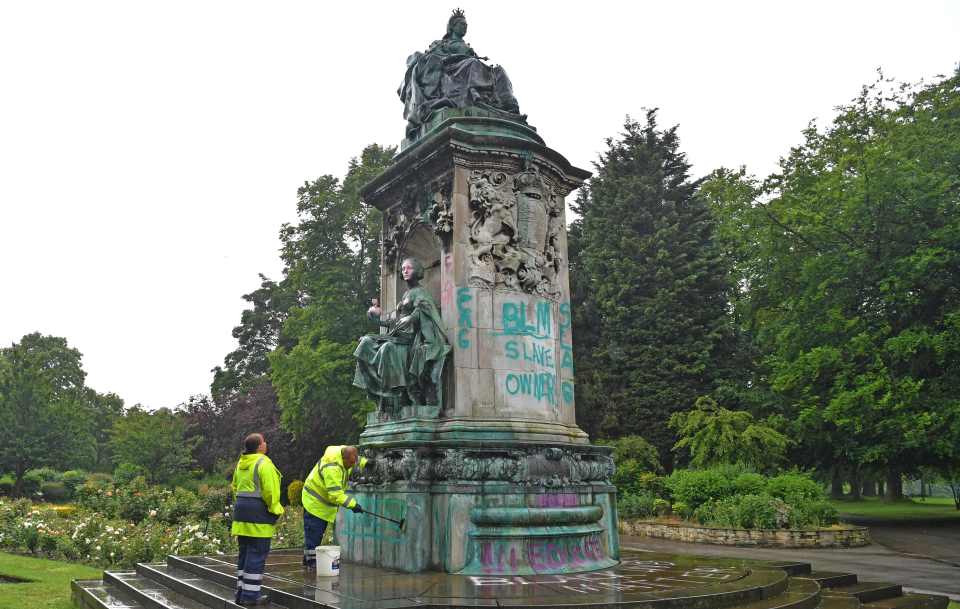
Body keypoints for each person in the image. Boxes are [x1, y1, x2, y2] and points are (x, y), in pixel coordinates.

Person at [398, 9, 520, 140]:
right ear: (452, 27)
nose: (465, 27)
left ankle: (507, 103)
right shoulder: (441, 44)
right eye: (461, 24)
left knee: (498, 71)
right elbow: (430, 57)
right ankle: (475, 95)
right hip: (451, 68)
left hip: (465, 67)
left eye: (466, 25)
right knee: (472, 64)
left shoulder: (465, 45)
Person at [353, 257, 450, 412]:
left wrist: (412, 317)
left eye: (408, 268)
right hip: (397, 336)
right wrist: (376, 320)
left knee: (387, 349)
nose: (405, 271)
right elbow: (394, 322)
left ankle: (395, 394)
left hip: (410, 340)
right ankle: (379, 391)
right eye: (403, 268)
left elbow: (426, 310)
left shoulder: (420, 292)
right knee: (365, 342)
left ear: (417, 271)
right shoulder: (406, 294)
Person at [231, 433, 283, 606]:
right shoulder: (264, 463)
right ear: (260, 446)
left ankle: (241, 593)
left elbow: (235, 487)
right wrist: (276, 510)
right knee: (257, 554)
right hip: (258, 515)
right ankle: (251, 598)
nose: (266, 444)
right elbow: (271, 492)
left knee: (244, 554)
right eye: (264, 441)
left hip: (241, 514)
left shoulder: (241, 463)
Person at [301, 445, 370, 568]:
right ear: (343, 459)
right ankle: (310, 563)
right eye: (351, 463)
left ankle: (309, 561)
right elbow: (335, 494)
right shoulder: (332, 467)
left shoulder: (345, 453)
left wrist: (367, 463)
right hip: (315, 503)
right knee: (314, 537)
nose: (353, 465)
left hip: (322, 504)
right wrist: (353, 505)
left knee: (316, 534)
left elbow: (355, 458)